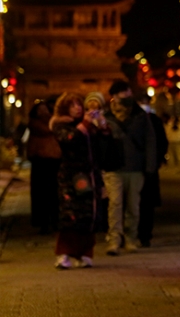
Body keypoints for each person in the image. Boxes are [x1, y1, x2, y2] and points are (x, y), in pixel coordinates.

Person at [50, 92, 110, 269]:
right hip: (71, 176)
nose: (78, 108)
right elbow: (70, 140)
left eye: (79, 104)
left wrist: (103, 128)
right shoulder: (61, 125)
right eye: (73, 105)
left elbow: (103, 148)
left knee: (89, 215)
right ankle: (64, 253)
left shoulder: (89, 125)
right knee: (71, 215)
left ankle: (84, 253)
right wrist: (85, 125)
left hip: (91, 175)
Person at [103, 79, 157, 255]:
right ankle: (114, 240)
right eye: (121, 93)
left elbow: (150, 141)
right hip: (113, 167)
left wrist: (150, 167)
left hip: (135, 167)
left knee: (133, 206)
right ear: (113, 97)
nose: (126, 96)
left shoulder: (140, 115)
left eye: (127, 92)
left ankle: (131, 238)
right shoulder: (106, 116)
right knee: (115, 204)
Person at [136, 93, 168, 247]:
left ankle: (145, 234)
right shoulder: (133, 120)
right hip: (133, 166)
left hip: (150, 168)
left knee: (147, 203)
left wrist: (157, 159)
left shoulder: (154, 120)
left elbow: (161, 141)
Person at [26, 100, 61, 234]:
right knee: (42, 193)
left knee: (54, 192)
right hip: (40, 161)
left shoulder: (53, 121)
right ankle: (44, 222)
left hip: (54, 161)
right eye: (40, 110)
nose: (43, 112)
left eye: (44, 109)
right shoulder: (36, 123)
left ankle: (54, 220)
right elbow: (46, 130)